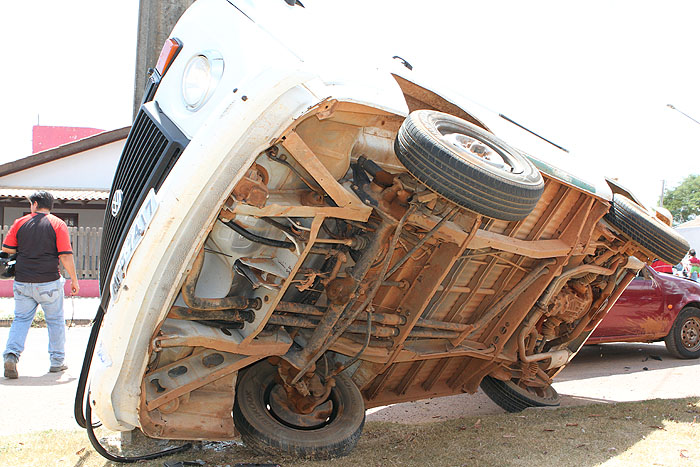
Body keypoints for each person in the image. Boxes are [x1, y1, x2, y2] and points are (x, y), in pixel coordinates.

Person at [2, 191, 79, 379]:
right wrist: (74, 279)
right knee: (55, 320)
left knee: (21, 319)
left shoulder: (20, 223)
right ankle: (57, 362)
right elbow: (65, 255)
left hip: (22, 281)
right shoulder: (58, 224)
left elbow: (7, 249)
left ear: (35, 204)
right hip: (48, 282)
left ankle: (11, 354)